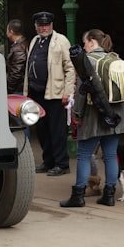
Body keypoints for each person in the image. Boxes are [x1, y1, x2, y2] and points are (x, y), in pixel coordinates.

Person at [60, 29, 124, 208]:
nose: (84, 47)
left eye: (85, 43)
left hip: (93, 114)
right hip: (116, 114)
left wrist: (76, 114)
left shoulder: (88, 61)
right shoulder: (115, 58)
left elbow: (81, 92)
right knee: (111, 155)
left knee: (83, 154)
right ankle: (109, 194)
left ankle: (78, 195)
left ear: (92, 41)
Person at [25, 11, 76, 176]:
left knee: (57, 130)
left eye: (46, 24)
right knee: (42, 130)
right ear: (36, 26)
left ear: (52, 25)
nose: (43, 27)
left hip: (55, 93)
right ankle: (48, 162)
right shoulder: (34, 40)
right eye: (40, 25)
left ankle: (62, 164)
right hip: (37, 93)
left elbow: (70, 68)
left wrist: (68, 92)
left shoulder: (61, 41)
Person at [5, 19, 28, 95]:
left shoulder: (19, 48)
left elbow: (16, 72)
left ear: (11, 31)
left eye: (7, 30)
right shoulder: (23, 44)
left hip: (17, 89)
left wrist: (9, 89)